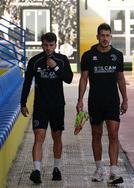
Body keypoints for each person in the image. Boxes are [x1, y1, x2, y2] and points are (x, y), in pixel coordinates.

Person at [76, 23, 128, 185]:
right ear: (97, 36)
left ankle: (113, 171)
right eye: (102, 35)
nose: (105, 38)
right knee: (96, 135)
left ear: (111, 37)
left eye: (107, 35)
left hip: (112, 101)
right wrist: (80, 99)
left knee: (113, 134)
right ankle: (99, 169)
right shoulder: (88, 55)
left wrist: (125, 99)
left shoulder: (117, 55)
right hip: (95, 102)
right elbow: (84, 79)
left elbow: (120, 78)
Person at [20, 32, 73, 184]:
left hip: (57, 105)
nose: (48, 48)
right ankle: (36, 170)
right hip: (40, 106)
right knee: (39, 137)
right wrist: (22, 103)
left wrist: (55, 67)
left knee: (57, 137)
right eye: (45, 45)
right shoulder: (35, 61)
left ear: (55, 45)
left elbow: (69, 79)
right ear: (42, 45)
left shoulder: (62, 60)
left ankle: (57, 168)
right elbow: (27, 82)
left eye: (51, 45)